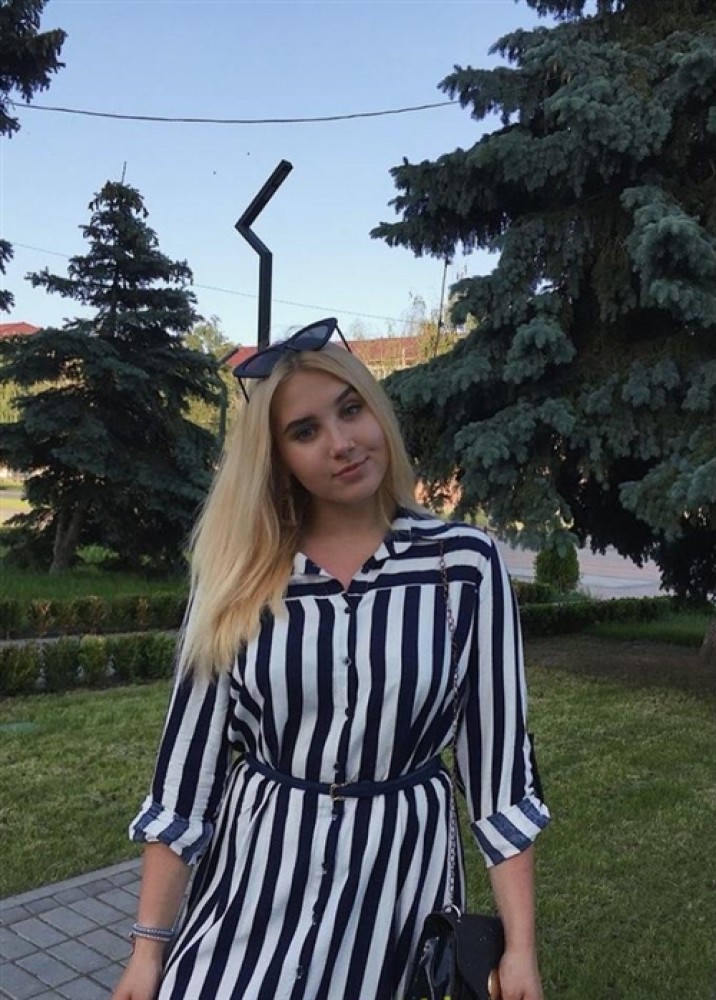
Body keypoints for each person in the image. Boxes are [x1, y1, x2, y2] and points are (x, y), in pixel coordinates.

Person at [112, 318, 550, 1000]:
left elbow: (499, 777)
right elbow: (184, 779)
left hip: (398, 895)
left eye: (350, 410)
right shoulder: (239, 574)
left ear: (377, 412)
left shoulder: (463, 566)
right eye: (305, 430)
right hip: (252, 889)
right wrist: (147, 954)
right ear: (277, 457)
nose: (341, 443)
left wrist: (520, 950)